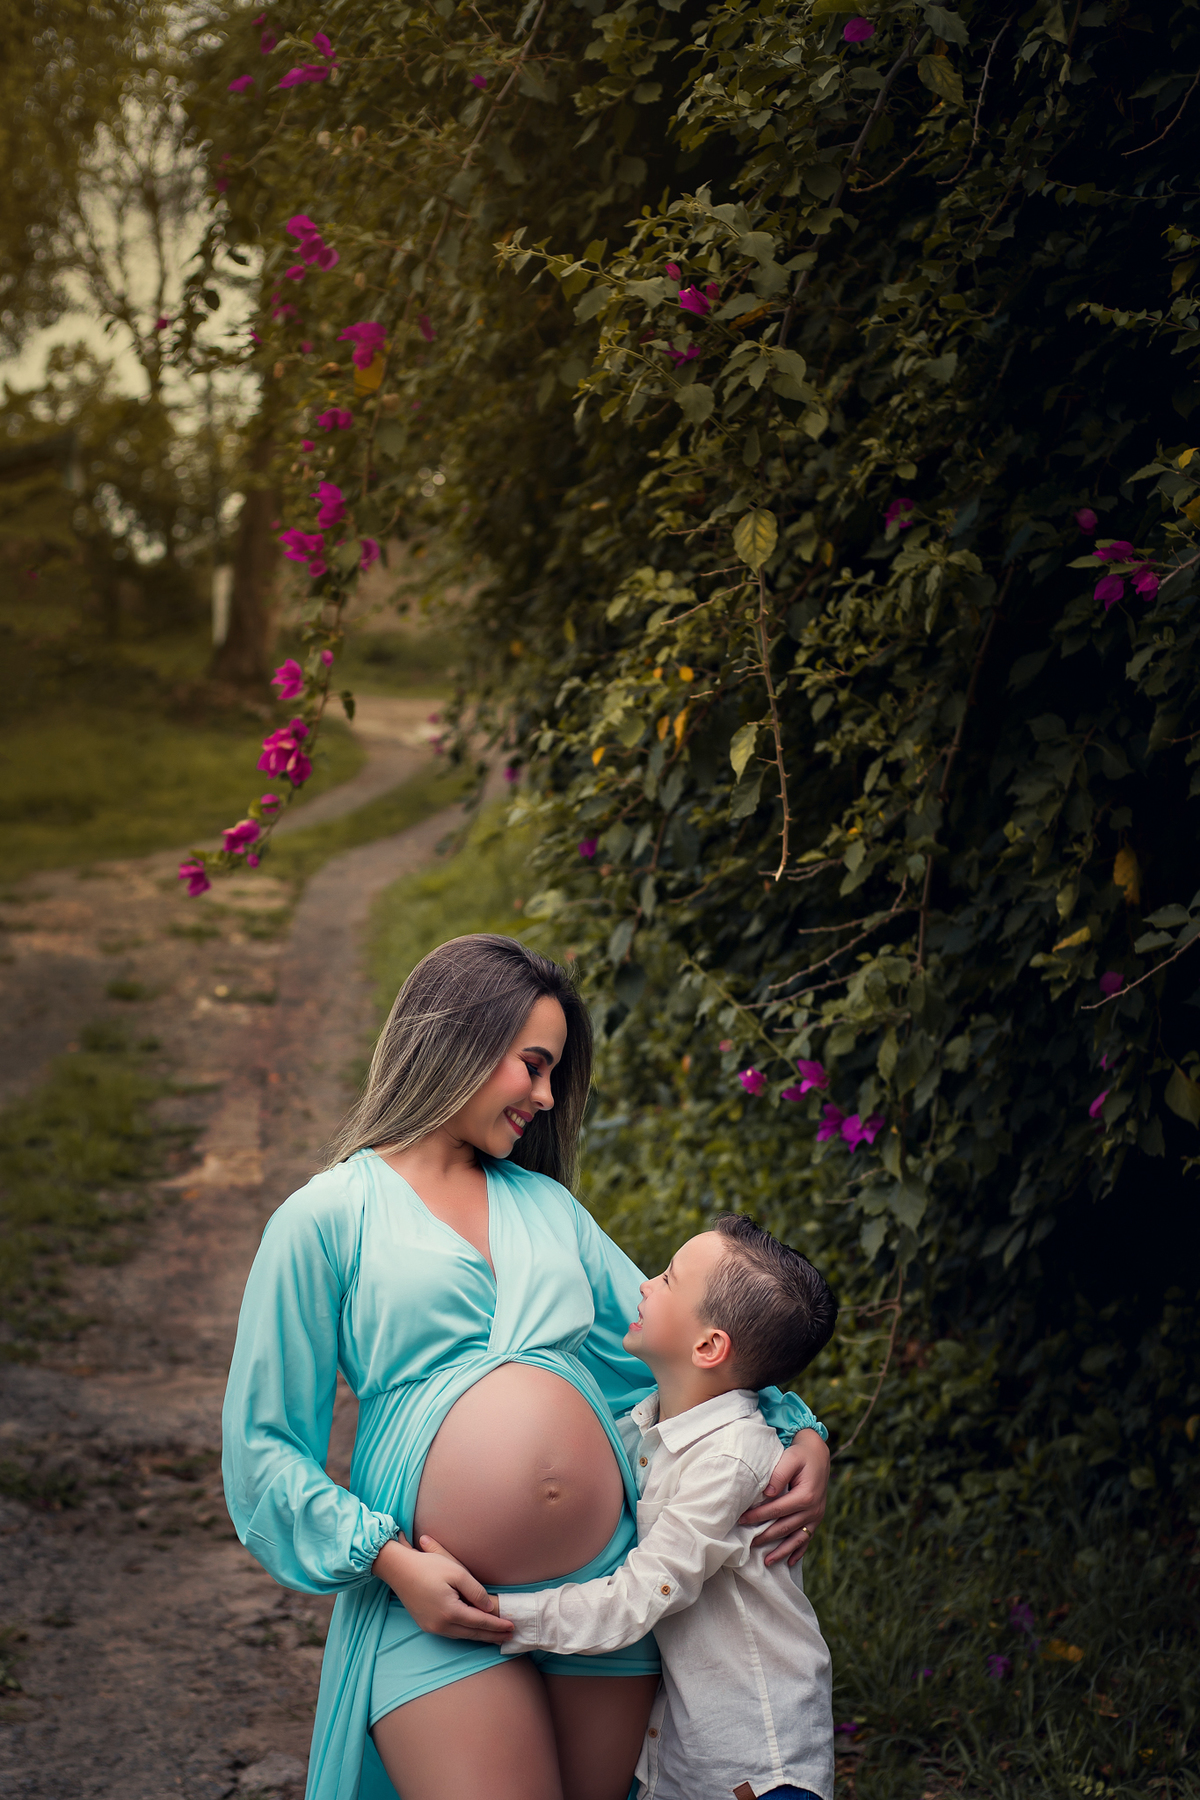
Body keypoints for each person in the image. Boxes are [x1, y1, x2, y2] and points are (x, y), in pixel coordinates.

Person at [222, 935, 831, 1800]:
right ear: (461, 1041)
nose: (546, 1098)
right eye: (534, 1065)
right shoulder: (326, 1218)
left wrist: (796, 1427)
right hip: (441, 1607)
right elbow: (264, 1449)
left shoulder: (547, 1207)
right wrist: (393, 1561)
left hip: (608, 1605)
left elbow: (685, 1347)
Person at [424, 1214, 838, 1800]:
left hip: (756, 1763)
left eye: (667, 1279)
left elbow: (640, 1597)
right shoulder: (645, 1425)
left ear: (708, 1346)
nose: (643, 1285)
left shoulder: (732, 1461)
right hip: (680, 1752)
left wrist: (498, 1613)